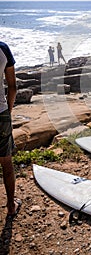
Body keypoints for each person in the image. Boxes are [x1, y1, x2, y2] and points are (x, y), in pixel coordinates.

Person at [0, 41, 21, 218]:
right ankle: (11, 206)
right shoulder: (2, 49)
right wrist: (8, 111)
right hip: (0, 114)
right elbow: (12, 87)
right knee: (6, 162)